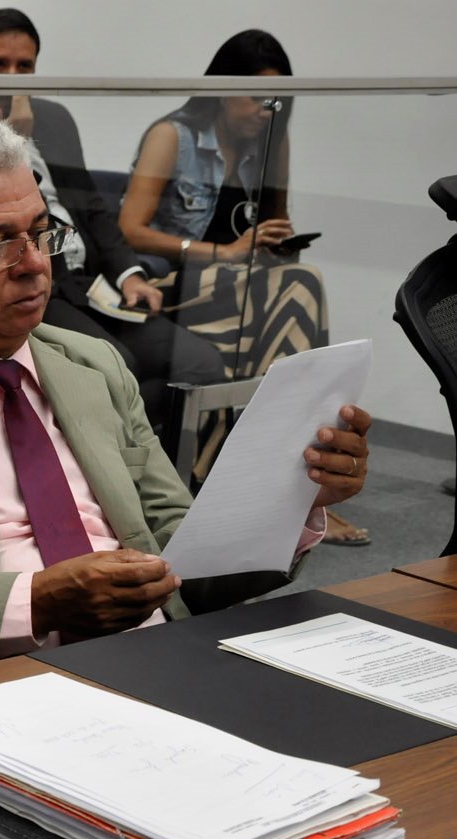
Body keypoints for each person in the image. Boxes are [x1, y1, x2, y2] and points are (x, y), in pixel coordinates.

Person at [0, 114, 371, 677]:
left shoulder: (93, 364)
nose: (33, 265)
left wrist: (294, 501)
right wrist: (38, 600)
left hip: (155, 658)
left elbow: (185, 559)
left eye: (40, 234)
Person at [116, 31, 362, 543]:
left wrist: (276, 245)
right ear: (222, 89)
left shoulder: (273, 143)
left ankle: (259, 486)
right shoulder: (172, 135)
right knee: (292, 294)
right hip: (172, 285)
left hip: (241, 285)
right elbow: (130, 230)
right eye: (256, 97)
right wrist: (223, 254)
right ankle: (275, 488)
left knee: (297, 284)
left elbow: (274, 225)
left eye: (277, 102)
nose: (266, 112)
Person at [0, 8, 223, 427]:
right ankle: (111, 450)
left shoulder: (54, 118)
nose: (13, 77)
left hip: (91, 283)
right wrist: (13, 139)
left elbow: (91, 206)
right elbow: (4, 217)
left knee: (201, 363)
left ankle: (144, 450)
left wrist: (129, 275)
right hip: (37, 282)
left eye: (24, 66)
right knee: (118, 368)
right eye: (0, 65)